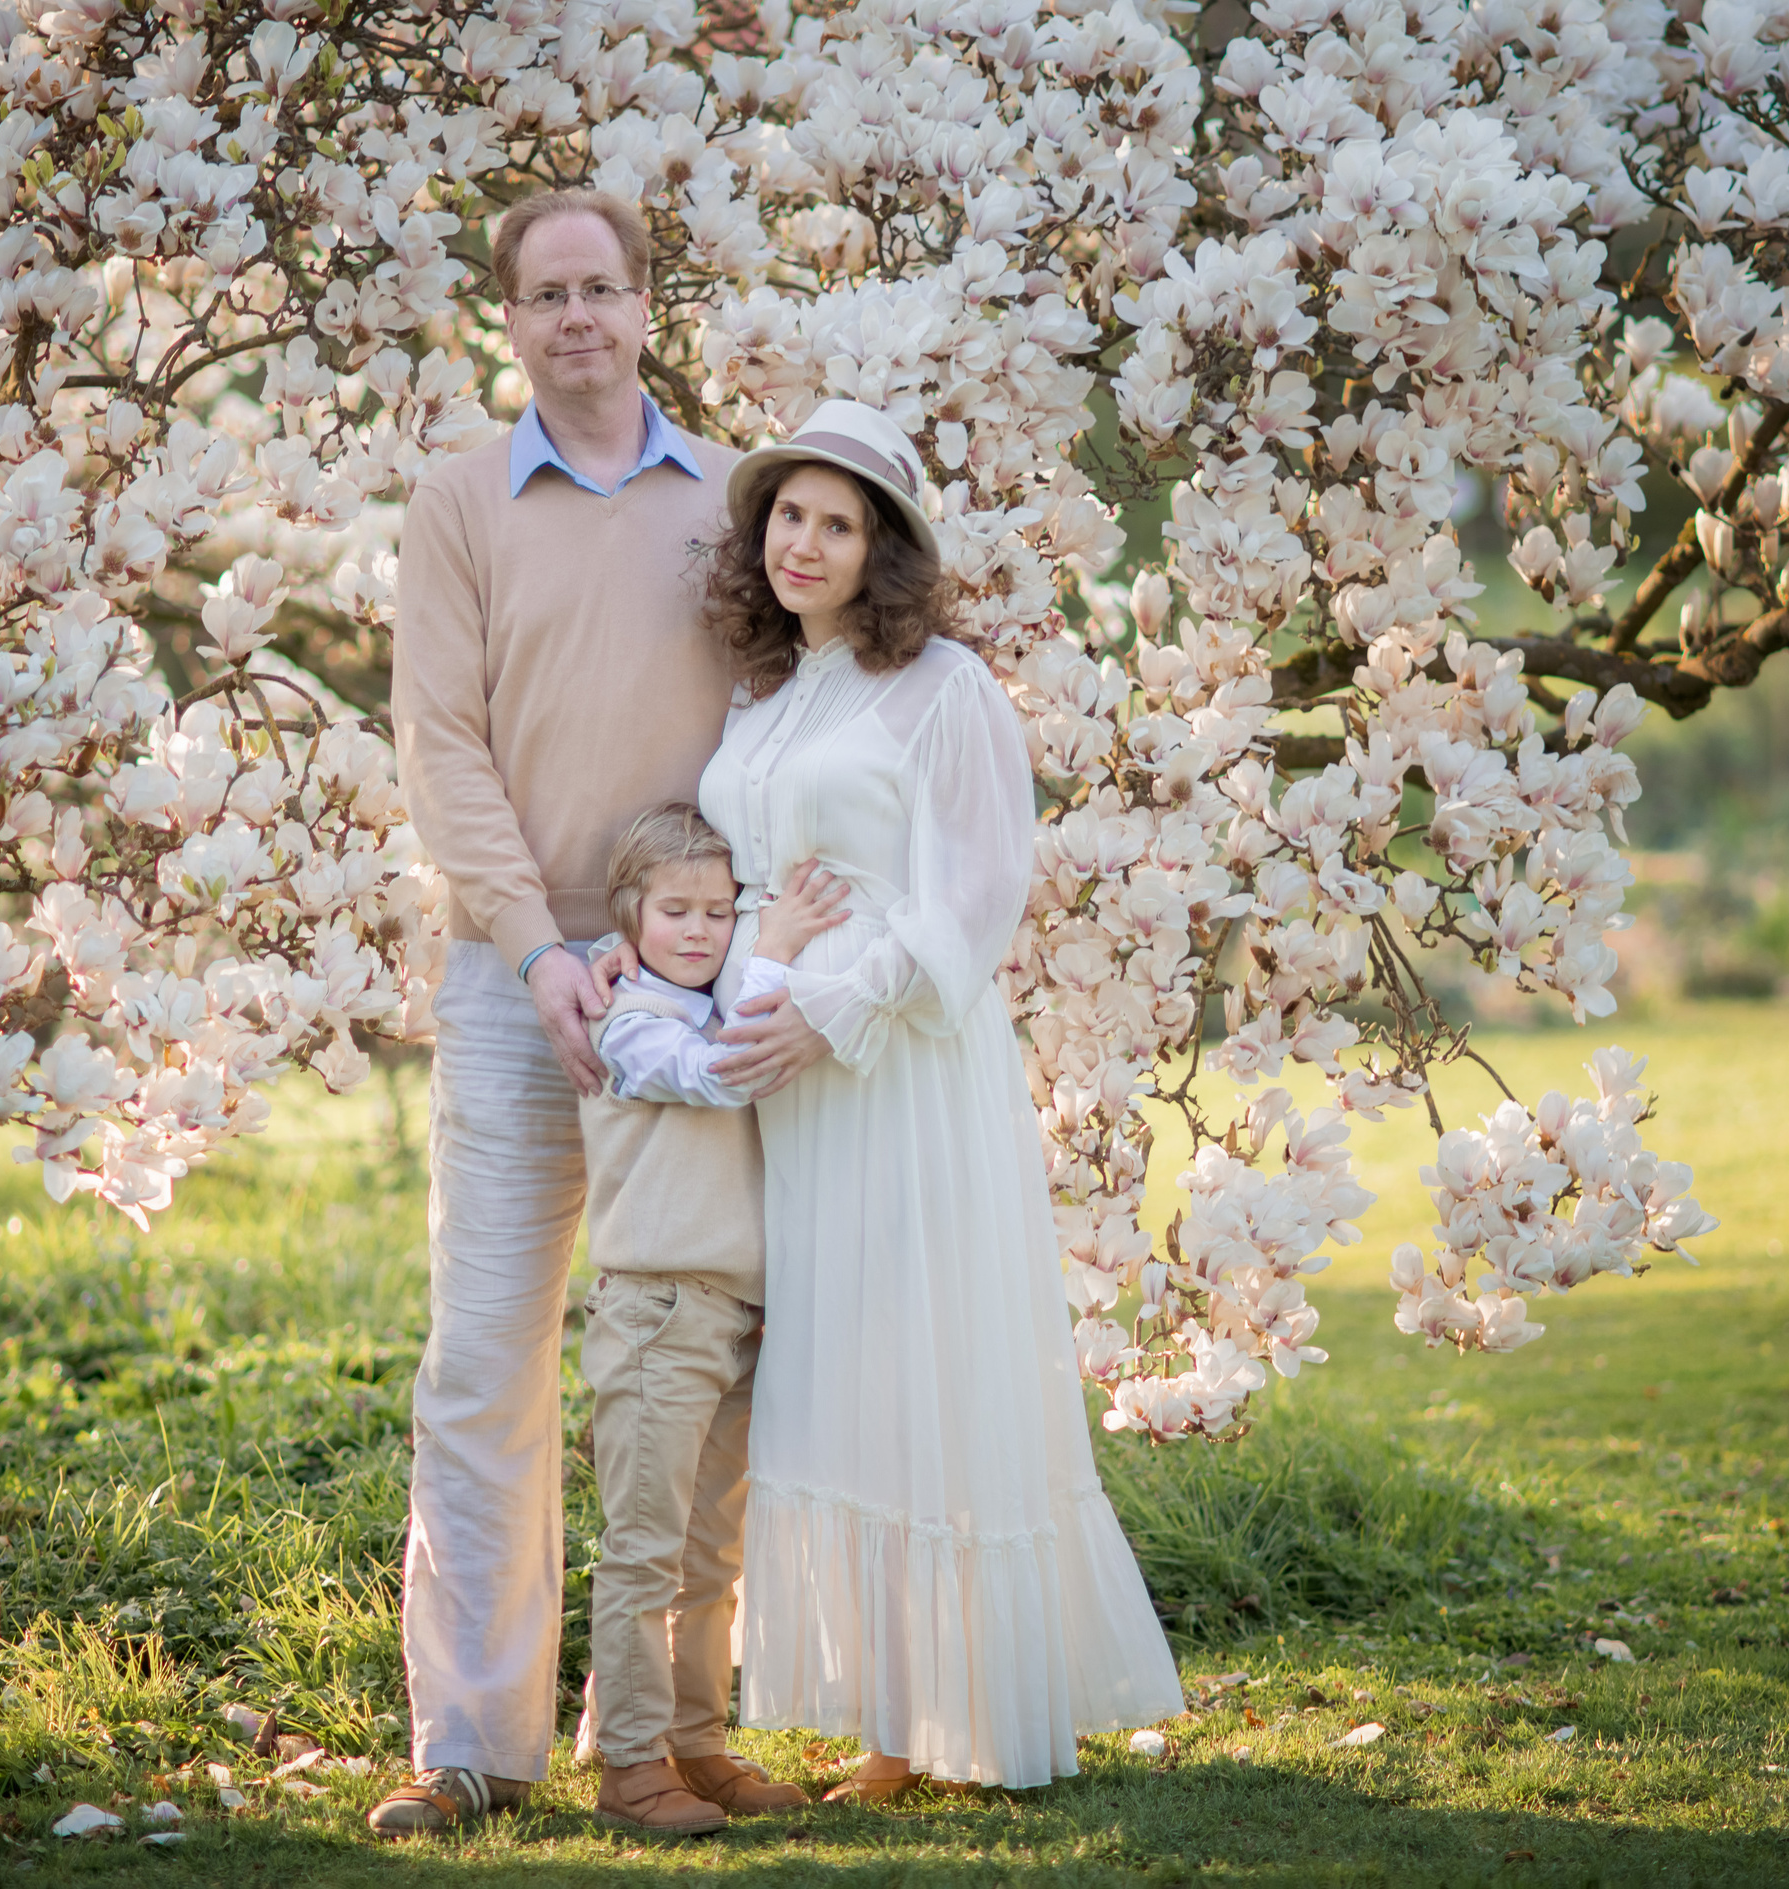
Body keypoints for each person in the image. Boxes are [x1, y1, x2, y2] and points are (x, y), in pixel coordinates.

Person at [693, 399, 1186, 1792]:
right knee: (838, 1371)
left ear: (883, 548)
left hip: (899, 1061)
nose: (805, 541)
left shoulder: (946, 688)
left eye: (838, 522)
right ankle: (890, 1716)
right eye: (789, 512)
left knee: (921, 1359)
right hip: (789, 1071)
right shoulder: (761, 692)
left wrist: (835, 1010)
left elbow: (979, 894)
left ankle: (954, 1722)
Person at [376, 188, 741, 1837]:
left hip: (691, 983)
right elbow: (440, 742)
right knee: (487, 1354)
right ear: (510, 322)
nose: (577, 317)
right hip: (518, 975)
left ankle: (664, 1724)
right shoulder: (460, 502)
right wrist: (535, 946)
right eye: (546, 295)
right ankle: (471, 1742)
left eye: (602, 288)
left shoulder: (735, 500)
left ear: (647, 306)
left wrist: (707, 945)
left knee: (688, 1350)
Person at [575, 805, 841, 1836]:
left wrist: (751, 957)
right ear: (630, 914)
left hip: (733, 1312)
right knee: (643, 1547)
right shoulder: (631, 1017)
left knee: (707, 1555)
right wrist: (771, 953)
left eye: (722, 912)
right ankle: (632, 1764)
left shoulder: (695, 989)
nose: (700, 929)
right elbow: (718, 1068)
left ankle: (696, 1742)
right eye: (675, 909)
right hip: (655, 1311)